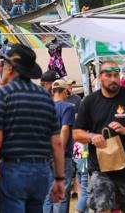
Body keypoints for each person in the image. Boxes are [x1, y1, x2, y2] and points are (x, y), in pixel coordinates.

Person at [0, 43, 65, 212]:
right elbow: (57, 142)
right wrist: (59, 178)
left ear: (10, 69)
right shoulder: (45, 96)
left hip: (13, 169)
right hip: (42, 171)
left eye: (3, 65)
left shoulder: (3, 94)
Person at [73, 61, 125, 213]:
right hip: (100, 168)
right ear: (99, 77)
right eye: (108, 75)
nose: (113, 79)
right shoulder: (90, 101)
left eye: (116, 75)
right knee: (102, 206)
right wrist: (92, 136)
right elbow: (76, 133)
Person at [43, 79, 76, 213]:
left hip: (46, 154)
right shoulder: (68, 107)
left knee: (48, 194)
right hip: (62, 155)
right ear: (65, 91)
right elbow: (64, 129)